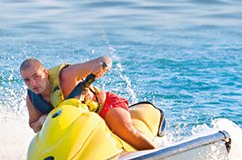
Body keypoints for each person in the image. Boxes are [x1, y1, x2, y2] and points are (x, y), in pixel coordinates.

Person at [20, 56, 156, 151]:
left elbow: (104, 59)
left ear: (45, 73)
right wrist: (41, 121)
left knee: (123, 127)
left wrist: (101, 66)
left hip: (105, 107)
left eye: (36, 76)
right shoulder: (32, 99)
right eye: (27, 80)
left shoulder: (67, 75)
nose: (33, 84)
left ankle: (158, 155)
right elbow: (34, 125)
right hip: (82, 126)